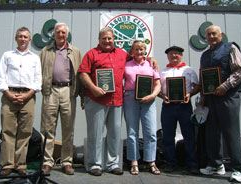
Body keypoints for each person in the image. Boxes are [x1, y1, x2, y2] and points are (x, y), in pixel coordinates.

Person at [78, 27, 157, 176]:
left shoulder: (122, 54)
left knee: (114, 133)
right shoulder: (91, 54)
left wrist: (150, 59)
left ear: (114, 40)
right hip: (96, 99)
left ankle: (112, 163)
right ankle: (95, 164)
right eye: (104, 38)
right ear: (99, 39)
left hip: (117, 100)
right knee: (95, 133)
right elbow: (83, 73)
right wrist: (93, 88)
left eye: (109, 38)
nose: (107, 41)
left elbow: (138, 57)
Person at [199, 25, 241, 183]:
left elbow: (240, 71)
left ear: (221, 35)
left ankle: (237, 169)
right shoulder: (205, 55)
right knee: (212, 131)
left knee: (230, 131)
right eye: (208, 34)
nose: (211, 37)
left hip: (229, 95)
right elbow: (203, 78)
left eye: (214, 34)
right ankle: (216, 165)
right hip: (211, 97)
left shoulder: (230, 48)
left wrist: (224, 86)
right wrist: (203, 98)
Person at [0, 27, 42, 176]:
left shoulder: (35, 58)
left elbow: (38, 81)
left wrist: (28, 95)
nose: (23, 39)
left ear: (29, 40)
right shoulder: (7, 55)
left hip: (28, 97)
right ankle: (7, 164)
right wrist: (8, 94)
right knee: (8, 131)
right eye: (20, 36)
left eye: (25, 37)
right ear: (16, 39)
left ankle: (21, 164)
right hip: (9, 95)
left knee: (25, 132)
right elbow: (1, 77)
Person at [40, 22, 82, 175]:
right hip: (50, 90)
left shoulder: (75, 51)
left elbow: (81, 74)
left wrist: (81, 95)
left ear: (67, 34)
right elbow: (37, 71)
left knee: (68, 129)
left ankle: (66, 162)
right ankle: (47, 162)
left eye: (63, 32)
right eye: (58, 32)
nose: (61, 35)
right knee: (47, 128)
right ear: (54, 34)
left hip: (68, 91)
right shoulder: (46, 51)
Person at [159, 46, 199, 173]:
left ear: (181, 56)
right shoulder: (163, 72)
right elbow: (158, 89)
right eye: (171, 54)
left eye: (177, 54)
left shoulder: (189, 70)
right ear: (168, 56)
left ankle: (192, 164)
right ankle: (170, 163)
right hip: (168, 106)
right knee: (168, 136)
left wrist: (190, 94)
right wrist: (163, 96)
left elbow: (197, 86)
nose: (174, 56)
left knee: (189, 135)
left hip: (184, 105)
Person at [123, 40, 161, 175]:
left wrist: (153, 95)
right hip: (130, 98)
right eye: (136, 49)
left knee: (150, 131)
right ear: (132, 51)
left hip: (148, 99)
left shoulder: (151, 65)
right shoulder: (126, 65)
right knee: (132, 132)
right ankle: (134, 161)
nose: (139, 52)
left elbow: (158, 84)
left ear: (145, 51)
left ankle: (151, 161)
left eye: (142, 49)